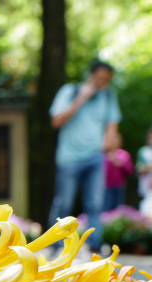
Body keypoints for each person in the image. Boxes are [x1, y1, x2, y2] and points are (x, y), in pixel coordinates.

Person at [48, 59, 121, 252]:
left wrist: (108, 146)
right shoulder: (69, 91)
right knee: (64, 203)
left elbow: (112, 123)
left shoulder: (108, 96)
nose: (103, 83)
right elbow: (56, 121)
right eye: (100, 78)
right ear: (91, 75)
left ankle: (94, 244)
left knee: (96, 204)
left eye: (107, 79)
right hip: (69, 157)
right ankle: (55, 242)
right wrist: (80, 98)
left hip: (96, 156)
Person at [103, 135, 134, 212]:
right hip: (105, 186)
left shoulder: (124, 154)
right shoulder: (103, 155)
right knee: (106, 208)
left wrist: (120, 164)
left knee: (118, 209)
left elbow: (130, 170)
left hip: (119, 186)